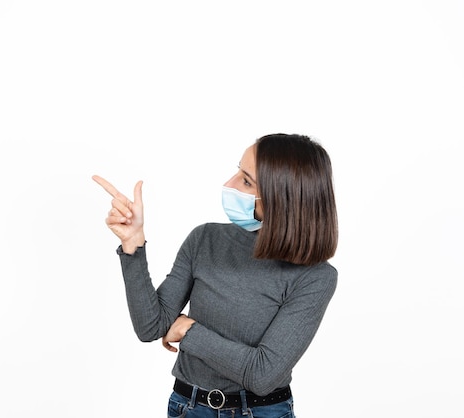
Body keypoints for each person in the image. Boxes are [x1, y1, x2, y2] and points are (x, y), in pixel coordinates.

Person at [92, 133, 338, 418]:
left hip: (262, 412)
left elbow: (263, 374)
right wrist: (133, 243)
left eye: (246, 181)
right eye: (237, 172)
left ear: (283, 198)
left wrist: (187, 330)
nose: (228, 185)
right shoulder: (205, 239)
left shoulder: (315, 277)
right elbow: (151, 326)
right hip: (189, 407)